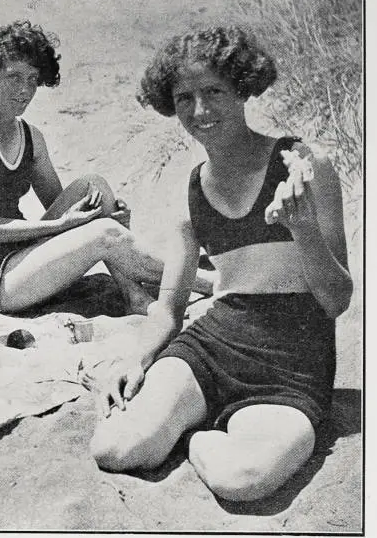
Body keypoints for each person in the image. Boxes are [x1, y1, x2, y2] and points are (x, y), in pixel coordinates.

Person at [84, 26, 353, 502]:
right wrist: (137, 357)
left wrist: (304, 230)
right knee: (114, 447)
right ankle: (191, 416)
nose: (200, 111)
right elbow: (169, 308)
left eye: (214, 92)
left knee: (242, 480)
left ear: (242, 89)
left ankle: (196, 434)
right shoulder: (189, 191)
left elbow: (335, 300)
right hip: (212, 345)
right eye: (184, 98)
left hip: (292, 363)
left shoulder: (304, 165)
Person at [0, 20, 213, 314]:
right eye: (13, 77)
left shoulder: (31, 137)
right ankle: (212, 284)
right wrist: (62, 225)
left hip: (25, 256)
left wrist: (110, 216)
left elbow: (69, 207)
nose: (24, 90)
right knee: (105, 234)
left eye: (32, 79)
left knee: (94, 187)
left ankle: (134, 294)